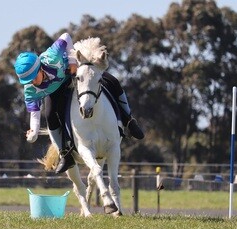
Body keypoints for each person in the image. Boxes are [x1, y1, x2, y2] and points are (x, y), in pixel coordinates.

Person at [13, 33, 143, 174]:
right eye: (28, 81)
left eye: (33, 78)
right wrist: (34, 132)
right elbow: (34, 114)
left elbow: (66, 37)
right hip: (55, 90)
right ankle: (65, 155)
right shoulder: (30, 90)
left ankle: (129, 120)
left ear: (40, 68)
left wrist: (72, 62)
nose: (32, 83)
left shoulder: (53, 56)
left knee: (113, 81)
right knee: (50, 115)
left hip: (74, 71)